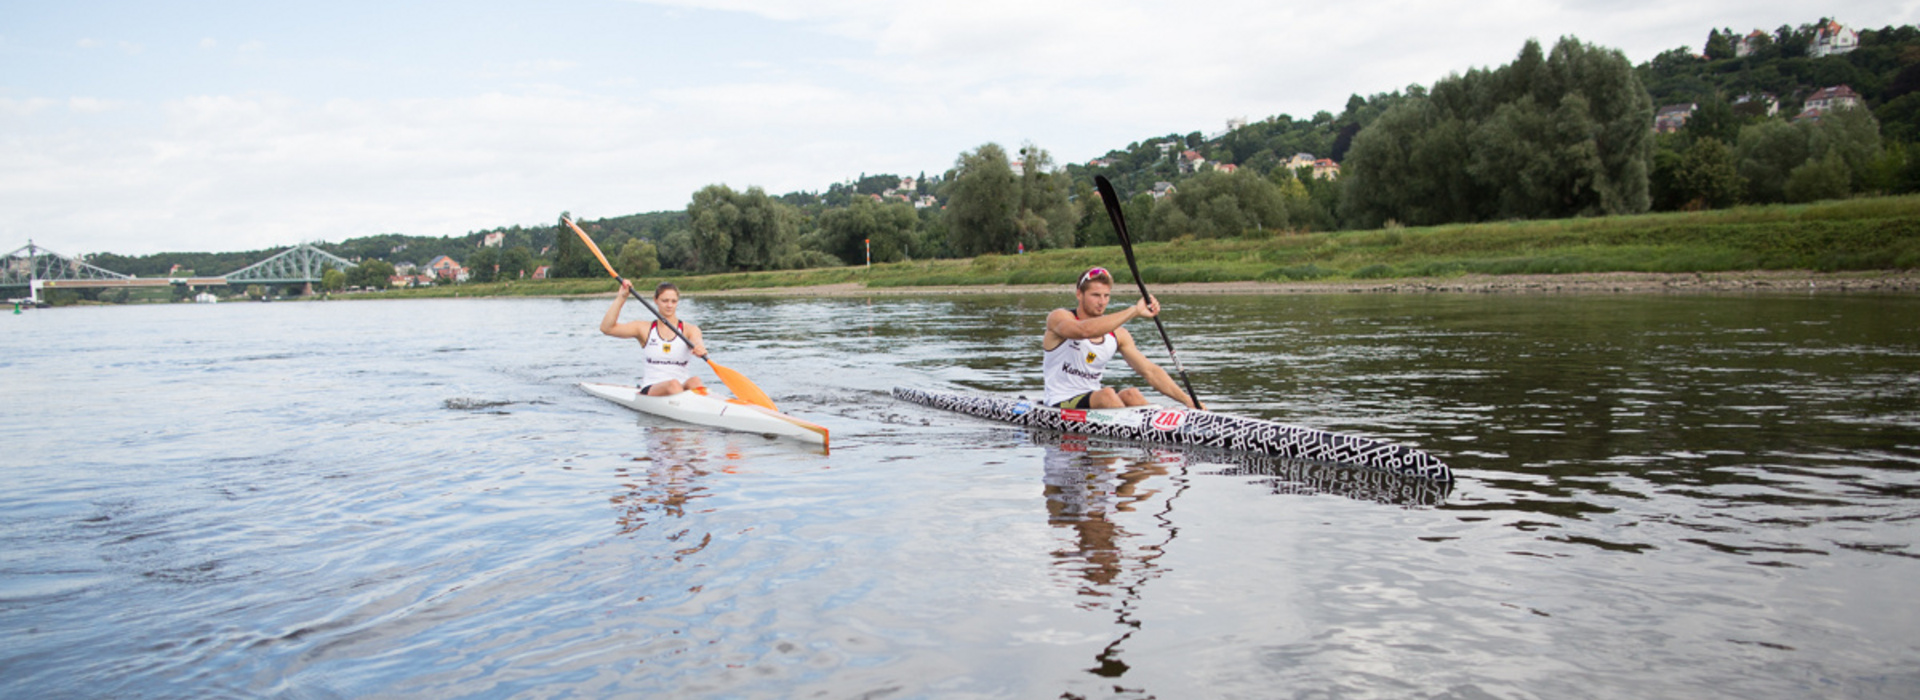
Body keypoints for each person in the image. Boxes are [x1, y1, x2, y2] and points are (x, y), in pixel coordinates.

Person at [1042, 267, 1201, 410]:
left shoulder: (1118, 334)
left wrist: (1187, 400)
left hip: (1092, 399)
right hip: (1059, 402)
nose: (1102, 302)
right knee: (1107, 395)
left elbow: (1150, 371)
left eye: (1106, 296)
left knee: (1132, 394)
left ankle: (1160, 426)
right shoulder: (1059, 318)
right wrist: (1134, 311)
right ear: (1079, 294)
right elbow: (1084, 331)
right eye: (1095, 295)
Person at [601, 280, 709, 396]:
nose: (669, 305)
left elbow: (697, 340)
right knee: (673, 384)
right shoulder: (643, 328)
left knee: (695, 381)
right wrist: (621, 298)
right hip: (652, 387)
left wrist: (699, 347)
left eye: (673, 301)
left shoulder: (690, 329)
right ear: (655, 300)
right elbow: (607, 328)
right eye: (665, 301)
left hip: (681, 386)